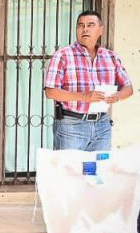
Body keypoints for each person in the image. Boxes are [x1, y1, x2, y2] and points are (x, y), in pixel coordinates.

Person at [44, 10, 134, 151]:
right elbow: (50, 92)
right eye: (80, 25)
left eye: (90, 25)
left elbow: (128, 89)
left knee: (99, 170)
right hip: (71, 125)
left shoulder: (110, 57)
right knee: (70, 171)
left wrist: (116, 96)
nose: (85, 29)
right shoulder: (62, 55)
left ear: (101, 30)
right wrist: (83, 97)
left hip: (102, 124)